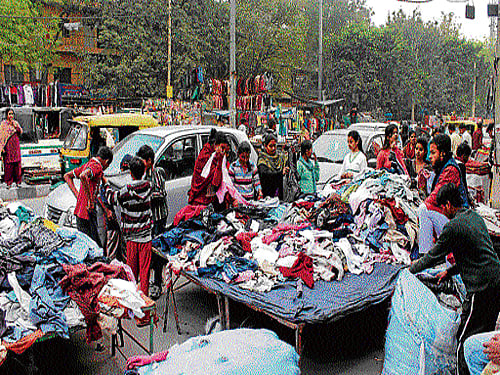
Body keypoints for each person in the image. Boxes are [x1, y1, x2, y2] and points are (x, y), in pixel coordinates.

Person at [410, 183, 500, 375]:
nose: (442, 212)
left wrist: (408, 271)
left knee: (465, 341)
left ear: (449, 204)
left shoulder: (454, 226)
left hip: (481, 288)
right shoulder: (474, 217)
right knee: (486, 341)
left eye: (443, 208)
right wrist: (449, 272)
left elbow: (432, 256)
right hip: (495, 282)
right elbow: (475, 253)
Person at [103, 157, 153, 319]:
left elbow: (112, 198)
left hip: (131, 237)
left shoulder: (126, 190)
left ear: (130, 173)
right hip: (146, 237)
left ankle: (131, 307)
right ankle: (144, 311)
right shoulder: (149, 186)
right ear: (144, 171)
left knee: (132, 272)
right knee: (145, 273)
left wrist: (105, 184)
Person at [417, 134, 469, 257]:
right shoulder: (443, 167)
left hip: (459, 222)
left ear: (443, 153)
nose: (429, 157)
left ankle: (426, 256)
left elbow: (435, 198)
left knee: (423, 209)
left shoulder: (450, 170)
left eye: (433, 153)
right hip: (454, 219)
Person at [64, 146, 113, 246]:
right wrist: (90, 201)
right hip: (86, 214)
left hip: (80, 213)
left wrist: (78, 196)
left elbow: (67, 176)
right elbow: (83, 176)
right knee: (93, 246)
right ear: (106, 161)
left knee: (90, 244)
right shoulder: (97, 167)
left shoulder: (87, 164)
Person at [136, 145, 168, 300]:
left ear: (149, 161)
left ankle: (157, 282)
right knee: (147, 251)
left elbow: (161, 194)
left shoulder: (156, 173)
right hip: (148, 219)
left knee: (157, 253)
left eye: (143, 159)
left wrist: (145, 194)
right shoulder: (141, 173)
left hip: (159, 217)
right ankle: (147, 282)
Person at [188, 129, 230, 209]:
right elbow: (214, 182)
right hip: (201, 199)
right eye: (222, 148)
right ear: (215, 145)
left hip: (213, 200)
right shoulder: (205, 156)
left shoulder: (219, 156)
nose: (223, 151)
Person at [258, 134, 288, 199]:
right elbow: (265, 174)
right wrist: (280, 173)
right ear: (265, 146)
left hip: (280, 194)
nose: (273, 148)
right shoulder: (262, 159)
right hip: (267, 195)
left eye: (274, 145)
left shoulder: (280, 157)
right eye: (270, 146)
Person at [0, 108, 22, 186]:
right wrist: (2, 147)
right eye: (9, 114)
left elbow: (20, 132)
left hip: (15, 146)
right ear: (6, 115)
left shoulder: (15, 123)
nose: (11, 116)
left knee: (17, 164)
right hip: (8, 146)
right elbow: (2, 137)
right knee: (9, 164)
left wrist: (15, 127)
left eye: (12, 114)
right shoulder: (3, 124)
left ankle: (18, 182)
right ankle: (9, 183)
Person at [456, 142, 473, 207]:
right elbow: (463, 184)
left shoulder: (453, 162)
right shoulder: (461, 166)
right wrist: (468, 199)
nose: (468, 159)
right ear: (463, 155)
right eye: (467, 156)